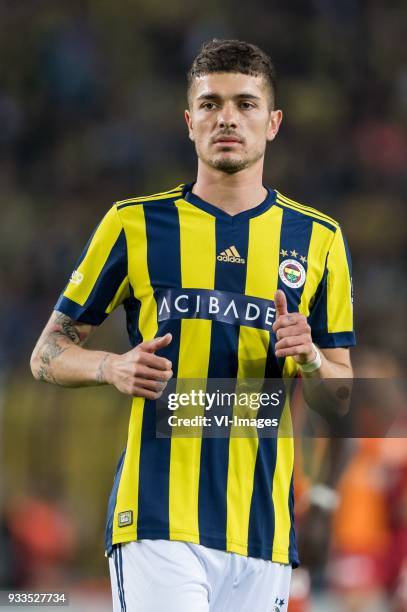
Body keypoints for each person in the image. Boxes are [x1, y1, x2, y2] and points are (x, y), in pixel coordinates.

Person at [30, 39, 355, 612]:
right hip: (158, 519)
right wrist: (113, 366)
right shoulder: (134, 223)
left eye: (245, 104)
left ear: (273, 122)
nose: (227, 117)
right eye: (210, 104)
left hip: (264, 532)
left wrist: (311, 360)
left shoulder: (320, 239)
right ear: (189, 122)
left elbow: (343, 391)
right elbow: (47, 351)